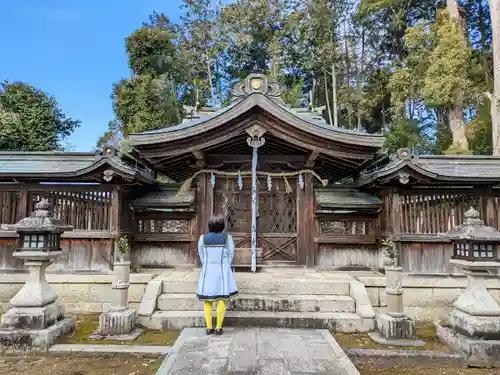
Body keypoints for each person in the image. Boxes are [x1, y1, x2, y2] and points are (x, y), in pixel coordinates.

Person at [196, 214, 238, 335]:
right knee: (221, 298)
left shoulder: (202, 238)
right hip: (222, 270)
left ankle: (209, 328)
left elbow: (201, 255)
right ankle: (219, 328)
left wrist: (207, 264)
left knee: (207, 300)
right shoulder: (227, 238)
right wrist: (225, 265)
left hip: (208, 270)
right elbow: (231, 254)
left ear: (210, 225)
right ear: (222, 226)